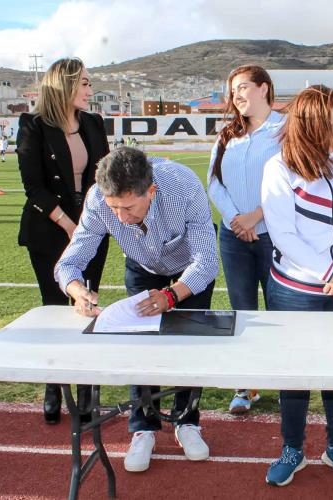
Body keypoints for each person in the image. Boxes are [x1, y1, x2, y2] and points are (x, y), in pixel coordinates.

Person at [55, 147, 219, 473]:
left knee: (191, 341)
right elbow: (70, 262)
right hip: (142, 265)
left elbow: (207, 262)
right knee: (139, 340)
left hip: (189, 268)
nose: (120, 218)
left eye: (128, 207)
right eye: (113, 207)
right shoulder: (98, 200)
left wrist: (172, 296)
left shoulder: (183, 185)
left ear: (151, 191)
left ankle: (187, 421)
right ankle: (143, 426)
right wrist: (77, 291)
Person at [261, 85, 333, 486]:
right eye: (331, 125)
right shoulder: (279, 167)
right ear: (309, 128)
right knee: (295, 374)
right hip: (296, 290)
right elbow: (283, 235)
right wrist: (330, 273)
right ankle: (292, 448)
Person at [16, 57, 110, 425]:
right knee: (56, 308)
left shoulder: (93, 123)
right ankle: (54, 386)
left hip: (91, 225)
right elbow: (33, 187)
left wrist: (89, 225)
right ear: (66, 86)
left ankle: (85, 392)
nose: (90, 90)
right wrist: (70, 226)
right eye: (85, 83)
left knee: (88, 305)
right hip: (48, 228)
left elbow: (102, 177)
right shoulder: (33, 125)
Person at [207, 65, 283, 414]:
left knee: (279, 312)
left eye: (243, 87)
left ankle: (284, 381)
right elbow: (214, 183)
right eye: (233, 90)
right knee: (242, 312)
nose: (237, 95)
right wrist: (238, 220)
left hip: (275, 236)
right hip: (234, 237)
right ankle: (245, 386)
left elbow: (295, 181)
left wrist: (257, 215)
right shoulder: (227, 135)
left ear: (265, 88)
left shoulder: (286, 130)